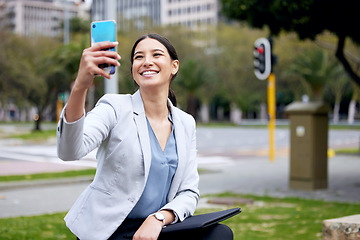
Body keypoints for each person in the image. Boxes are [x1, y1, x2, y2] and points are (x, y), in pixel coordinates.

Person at [57, 33, 233, 240]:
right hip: (111, 229)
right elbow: (69, 151)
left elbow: (189, 192)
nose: (146, 62)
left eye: (156, 54)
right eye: (138, 57)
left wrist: (159, 218)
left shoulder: (185, 123)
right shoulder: (114, 106)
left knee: (219, 233)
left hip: (157, 227)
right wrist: (80, 86)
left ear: (174, 66)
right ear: (133, 70)